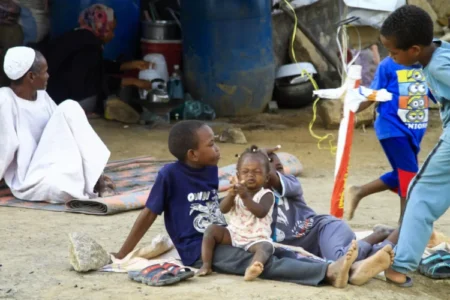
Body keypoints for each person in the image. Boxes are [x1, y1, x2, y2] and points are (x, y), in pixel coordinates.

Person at [114, 121, 393, 288]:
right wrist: (123, 254)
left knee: (273, 250)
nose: (218, 149)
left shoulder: (211, 171)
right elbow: (149, 213)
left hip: (230, 233)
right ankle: (329, 273)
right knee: (259, 262)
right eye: (211, 144)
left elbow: (223, 208)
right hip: (198, 248)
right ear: (192, 154)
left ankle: (349, 260)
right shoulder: (169, 175)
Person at [375, 5, 450, 287]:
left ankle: (401, 265)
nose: (390, 58)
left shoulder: (439, 65)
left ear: (415, 50)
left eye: (394, 53)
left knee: (421, 193)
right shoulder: (442, 52)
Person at [0, 46, 114, 202]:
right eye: (44, 72)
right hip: (29, 175)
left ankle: (97, 177)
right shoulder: (5, 100)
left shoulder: (42, 96)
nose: (48, 75)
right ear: (31, 77)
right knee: (60, 189)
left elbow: (65, 128)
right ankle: (90, 180)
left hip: (49, 160)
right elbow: (4, 146)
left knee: (70, 107)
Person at [347, 40, 432, 224]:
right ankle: (405, 223)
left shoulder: (428, 64)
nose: (393, 55)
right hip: (392, 127)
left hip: (414, 131)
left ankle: (360, 191)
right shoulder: (388, 65)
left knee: (404, 173)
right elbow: (374, 93)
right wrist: (352, 108)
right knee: (409, 175)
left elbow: (435, 92)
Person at [266, 150, 397, 265]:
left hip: (325, 229)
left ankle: (382, 234)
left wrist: (260, 156)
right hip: (318, 249)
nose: (277, 173)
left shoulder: (291, 183)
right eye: (269, 168)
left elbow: (272, 178)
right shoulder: (252, 201)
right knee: (354, 264)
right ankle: (386, 243)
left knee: (338, 260)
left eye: (279, 168)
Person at [41, 4, 153, 123]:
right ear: (101, 26)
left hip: (50, 95)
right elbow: (93, 79)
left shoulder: (78, 36)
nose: (113, 35)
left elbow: (93, 66)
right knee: (99, 93)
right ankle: (99, 109)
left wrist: (127, 65)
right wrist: (132, 81)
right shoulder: (91, 46)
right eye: (111, 29)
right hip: (63, 101)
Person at [198, 146, 275, 281]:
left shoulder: (267, 195)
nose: (250, 175)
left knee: (266, 247)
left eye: (257, 172)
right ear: (238, 176)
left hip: (255, 238)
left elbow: (261, 212)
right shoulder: (236, 192)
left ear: (267, 177)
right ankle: (206, 264)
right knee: (211, 230)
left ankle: (253, 267)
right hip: (233, 234)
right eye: (245, 172)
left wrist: (245, 196)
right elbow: (223, 209)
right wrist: (231, 195)